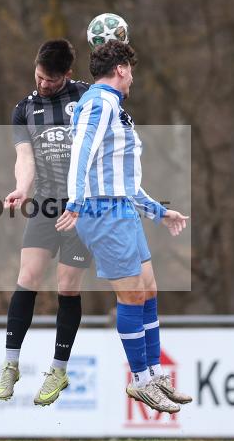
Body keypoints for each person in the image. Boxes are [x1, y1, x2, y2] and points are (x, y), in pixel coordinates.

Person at [55, 40, 192, 413]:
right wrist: (77, 202)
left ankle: (153, 373)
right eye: (130, 70)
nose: (133, 77)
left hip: (121, 209)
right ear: (120, 70)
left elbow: (126, 182)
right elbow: (81, 152)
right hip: (102, 213)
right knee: (131, 295)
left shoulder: (113, 106)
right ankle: (141, 381)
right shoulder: (99, 103)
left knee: (148, 290)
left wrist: (159, 212)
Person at [0, 40, 93, 406]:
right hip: (45, 204)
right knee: (28, 277)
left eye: (51, 80)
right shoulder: (24, 110)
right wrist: (21, 188)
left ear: (67, 75)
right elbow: (25, 157)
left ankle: (59, 369)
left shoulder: (85, 97)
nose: (43, 84)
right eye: (39, 77)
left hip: (82, 208)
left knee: (67, 287)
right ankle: (10, 364)